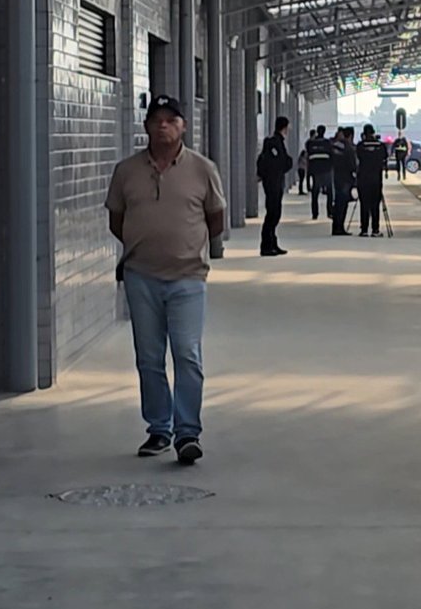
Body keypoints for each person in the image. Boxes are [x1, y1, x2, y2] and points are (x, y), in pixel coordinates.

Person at [105, 95, 226, 465]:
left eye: (171, 120)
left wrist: (190, 248)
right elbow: (117, 220)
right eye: (156, 119)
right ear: (145, 127)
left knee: (187, 355)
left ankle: (187, 432)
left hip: (188, 277)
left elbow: (215, 219)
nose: (163, 126)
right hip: (142, 277)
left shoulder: (203, 169)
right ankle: (159, 429)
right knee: (149, 357)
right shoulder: (126, 171)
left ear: (183, 126)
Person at [256, 115, 294, 256]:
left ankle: (272, 243)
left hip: (274, 181)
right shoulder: (275, 142)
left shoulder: (276, 141)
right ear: (284, 127)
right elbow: (281, 162)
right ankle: (266, 245)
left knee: (275, 213)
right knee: (273, 213)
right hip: (273, 182)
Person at [354, 124, 389, 237]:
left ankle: (364, 229)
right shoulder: (380, 145)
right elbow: (384, 159)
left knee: (364, 204)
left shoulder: (360, 146)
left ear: (364, 133)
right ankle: (375, 229)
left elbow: (357, 159)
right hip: (376, 179)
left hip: (363, 179)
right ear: (373, 132)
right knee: (375, 205)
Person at [329, 126, 357, 235]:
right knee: (343, 203)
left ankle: (335, 226)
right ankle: (340, 227)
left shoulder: (335, 146)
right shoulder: (348, 148)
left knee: (337, 203)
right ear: (350, 135)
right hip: (345, 178)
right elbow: (352, 164)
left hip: (336, 176)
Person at [304, 125, 334, 220]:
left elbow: (308, 155)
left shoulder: (310, 143)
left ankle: (315, 213)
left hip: (315, 170)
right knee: (329, 192)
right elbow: (332, 155)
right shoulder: (327, 143)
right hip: (326, 170)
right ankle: (329, 212)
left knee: (315, 193)